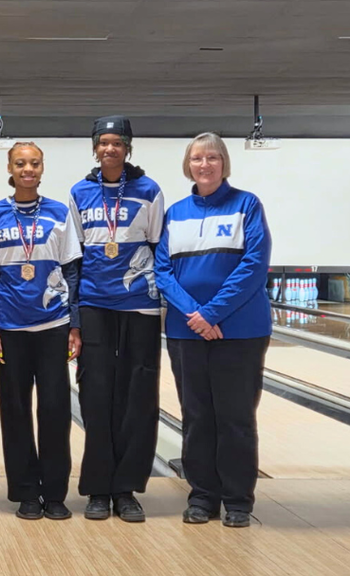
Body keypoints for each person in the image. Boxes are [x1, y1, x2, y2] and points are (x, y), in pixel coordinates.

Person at [155, 132, 271, 529]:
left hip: (240, 331)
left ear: (224, 163)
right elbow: (162, 272)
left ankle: (238, 499)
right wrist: (194, 314)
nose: (204, 165)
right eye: (197, 158)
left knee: (235, 416)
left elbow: (254, 263)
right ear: (188, 165)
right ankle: (202, 496)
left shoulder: (246, 205)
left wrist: (213, 313)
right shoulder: (176, 213)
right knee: (197, 416)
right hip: (188, 331)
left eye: (212, 158)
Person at [68, 116, 165, 522]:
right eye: (103, 142)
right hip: (95, 305)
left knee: (137, 397)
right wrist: (73, 317)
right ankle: (97, 488)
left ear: (128, 147)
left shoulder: (149, 191)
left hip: (139, 307)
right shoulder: (80, 192)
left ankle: (126, 489)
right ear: (95, 147)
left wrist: (163, 307)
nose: (109, 149)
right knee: (96, 395)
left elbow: (159, 248)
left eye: (117, 142)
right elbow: (73, 260)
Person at [0, 141, 82, 521]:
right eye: (20, 163)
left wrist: (75, 323)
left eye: (34, 163)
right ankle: (25, 491)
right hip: (9, 329)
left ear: (42, 168)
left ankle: (55, 493)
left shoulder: (59, 213)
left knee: (55, 410)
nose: (28, 169)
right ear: (9, 167)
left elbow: (72, 270)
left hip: (53, 326)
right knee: (15, 411)